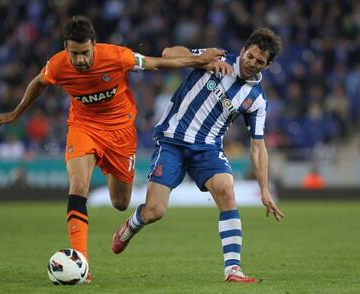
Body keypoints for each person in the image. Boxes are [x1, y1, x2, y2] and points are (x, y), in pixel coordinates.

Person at [0, 15, 226, 282]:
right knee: (78, 186)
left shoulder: (116, 56)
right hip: (83, 127)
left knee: (120, 203)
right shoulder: (57, 65)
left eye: (84, 53)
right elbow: (38, 82)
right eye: (74, 54)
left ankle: (122, 224)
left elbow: (158, 63)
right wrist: (17, 112)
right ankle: (80, 262)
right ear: (65, 48)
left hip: (120, 134)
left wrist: (200, 61)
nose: (80, 60)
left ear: (94, 44)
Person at [112, 28, 284, 283]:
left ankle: (233, 269)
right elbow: (169, 53)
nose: (252, 63)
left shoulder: (256, 100)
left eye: (260, 62)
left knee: (226, 189)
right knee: (155, 211)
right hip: (173, 140)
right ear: (243, 50)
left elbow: (258, 147)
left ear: (267, 66)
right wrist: (202, 60)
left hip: (208, 148)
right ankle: (133, 224)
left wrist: (265, 189)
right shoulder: (216, 57)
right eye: (250, 56)